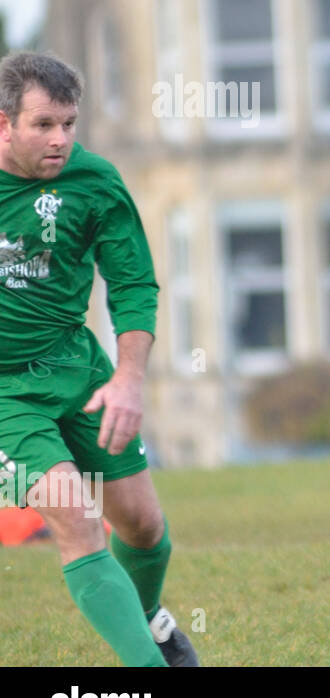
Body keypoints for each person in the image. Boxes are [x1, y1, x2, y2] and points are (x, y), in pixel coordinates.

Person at [0, 51, 199, 665]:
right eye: (43, 125)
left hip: (80, 371)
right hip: (5, 394)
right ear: (3, 123)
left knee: (142, 526)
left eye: (69, 123)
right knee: (79, 520)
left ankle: (147, 624)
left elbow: (134, 283)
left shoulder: (95, 182)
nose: (60, 139)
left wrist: (129, 378)